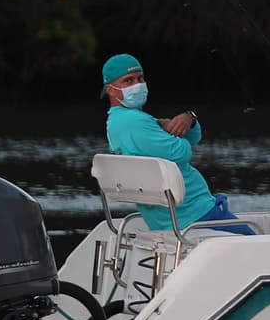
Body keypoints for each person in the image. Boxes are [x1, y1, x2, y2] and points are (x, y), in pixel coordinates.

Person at [101, 53, 254, 235]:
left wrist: (190, 119)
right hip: (195, 215)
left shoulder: (126, 120)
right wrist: (174, 131)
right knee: (257, 245)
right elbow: (182, 153)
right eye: (128, 80)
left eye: (140, 78)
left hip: (182, 215)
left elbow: (194, 138)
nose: (137, 84)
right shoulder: (132, 122)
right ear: (110, 89)